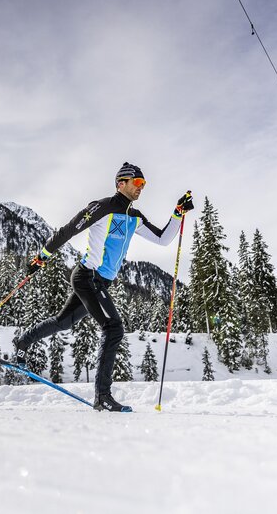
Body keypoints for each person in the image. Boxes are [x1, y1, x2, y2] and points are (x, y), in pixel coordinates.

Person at [13, 162, 193, 411]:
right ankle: (102, 396)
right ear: (122, 183)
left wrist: (178, 213)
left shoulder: (135, 218)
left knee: (63, 322)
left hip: (100, 281)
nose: (141, 188)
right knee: (114, 327)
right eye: (137, 183)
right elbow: (67, 231)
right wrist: (42, 256)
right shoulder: (102, 207)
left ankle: (22, 343)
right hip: (88, 276)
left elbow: (163, 239)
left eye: (144, 184)